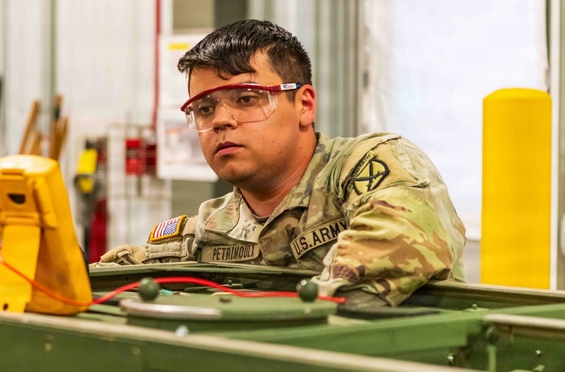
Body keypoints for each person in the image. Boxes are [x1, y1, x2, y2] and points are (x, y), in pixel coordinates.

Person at [99, 19, 465, 307]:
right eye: (204, 109)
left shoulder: (370, 168)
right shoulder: (214, 227)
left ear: (304, 105)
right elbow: (120, 273)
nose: (221, 120)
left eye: (246, 98)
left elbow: (380, 262)